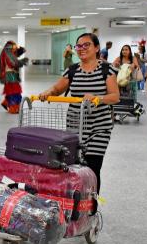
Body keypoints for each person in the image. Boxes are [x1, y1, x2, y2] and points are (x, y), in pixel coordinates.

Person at [39, 33, 120, 193]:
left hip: (99, 127)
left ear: (96, 48)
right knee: (75, 167)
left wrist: (98, 98)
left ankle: (91, 207)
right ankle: (76, 205)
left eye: (86, 45)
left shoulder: (107, 69)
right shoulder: (72, 70)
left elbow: (115, 96)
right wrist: (48, 92)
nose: (82, 49)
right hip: (75, 127)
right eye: (79, 46)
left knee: (92, 167)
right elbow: (57, 89)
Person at [0, 41, 28, 114]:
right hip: (9, 75)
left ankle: (6, 103)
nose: (15, 48)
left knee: (13, 91)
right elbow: (12, 64)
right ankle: (13, 108)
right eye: (13, 46)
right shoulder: (7, 54)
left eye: (15, 46)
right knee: (14, 91)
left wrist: (19, 48)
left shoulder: (11, 54)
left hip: (12, 74)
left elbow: (23, 50)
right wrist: (21, 62)